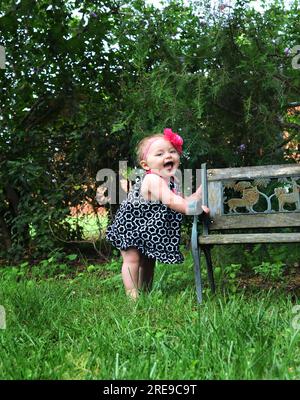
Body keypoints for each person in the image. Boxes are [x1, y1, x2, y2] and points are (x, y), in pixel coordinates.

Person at [106, 128, 209, 300]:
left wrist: (198, 195)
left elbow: (182, 200)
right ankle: (133, 296)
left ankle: (146, 292)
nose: (167, 156)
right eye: (159, 154)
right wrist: (195, 209)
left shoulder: (173, 180)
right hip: (131, 225)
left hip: (147, 228)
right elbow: (174, 203)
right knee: (133, 260)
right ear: (146, 165)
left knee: (148, 260)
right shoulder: (152, 179)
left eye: (172, 152)